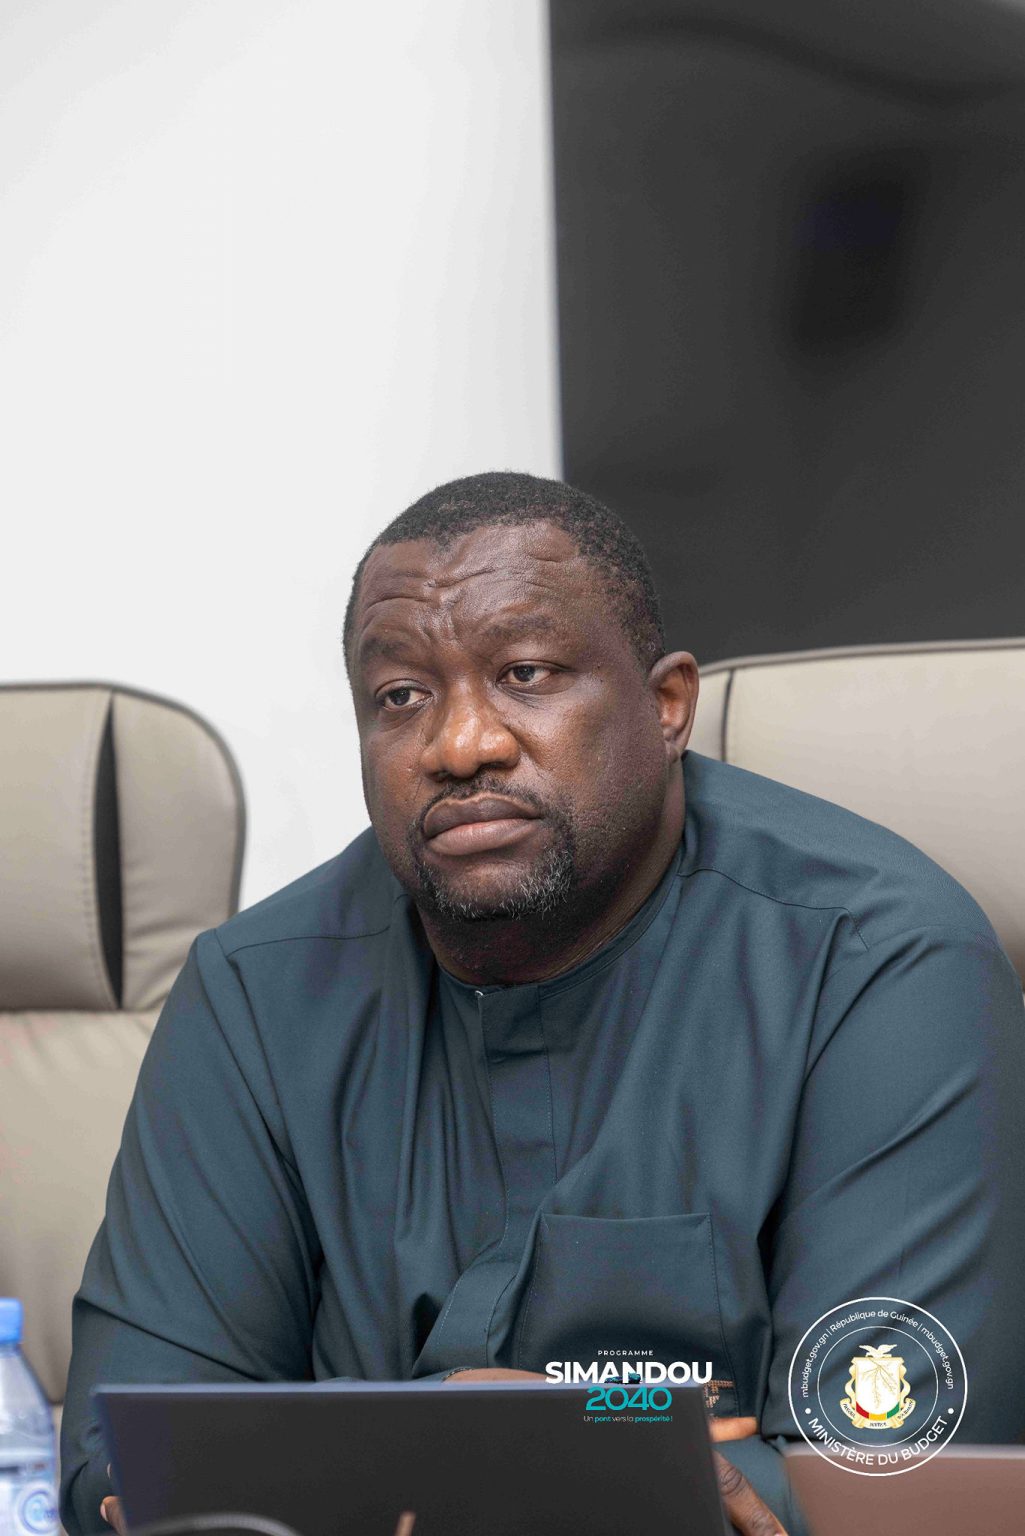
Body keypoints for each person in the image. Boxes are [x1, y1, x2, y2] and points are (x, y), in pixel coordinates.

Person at [61, 472, 1025, 1536]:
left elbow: (885, 1480)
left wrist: (499, 1443)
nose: (459, 744)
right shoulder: (255, 989)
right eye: (401, 697)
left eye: (524, 674)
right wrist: (507, 1440)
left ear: (666, 706)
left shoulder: (875, 961)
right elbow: (126, 1463)